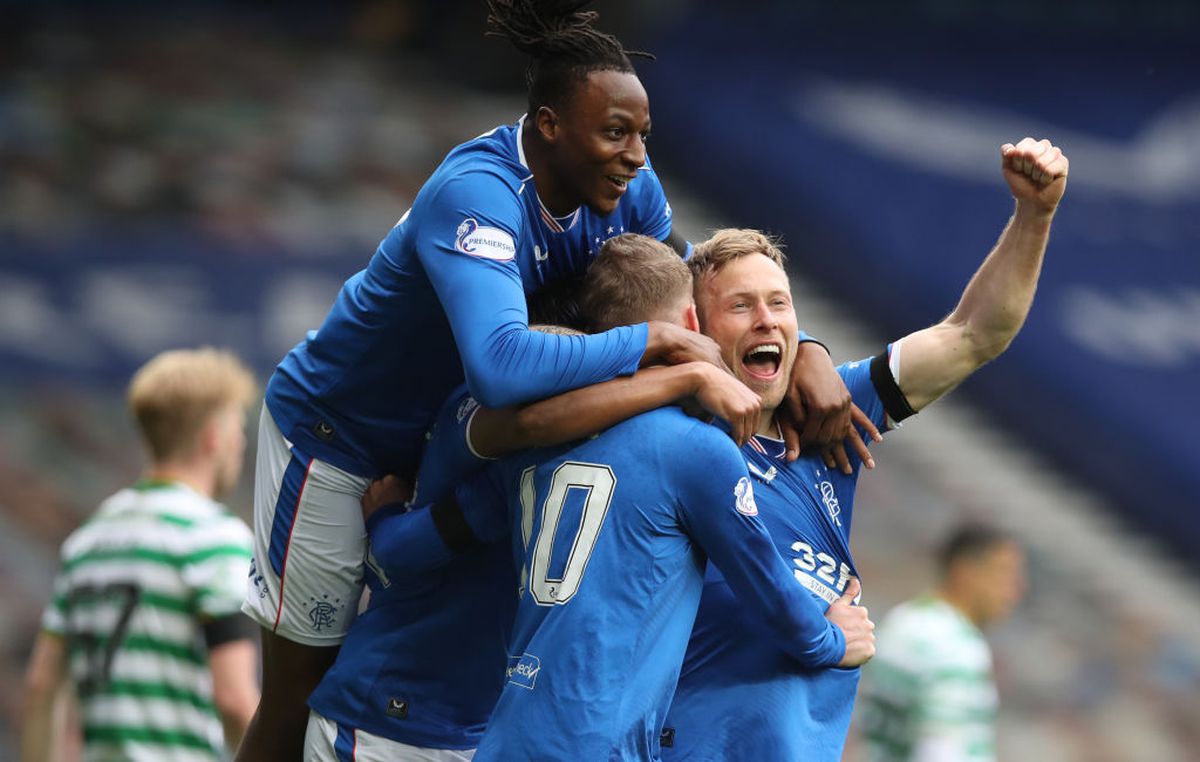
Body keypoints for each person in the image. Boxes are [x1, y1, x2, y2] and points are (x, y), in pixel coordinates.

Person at [237, 2, 855, 758]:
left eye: (642, 135)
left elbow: (707, 298)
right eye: (614, 133)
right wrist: (660, 356)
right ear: (549, 125)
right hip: (341, 437)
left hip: (460, 434)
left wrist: (808, 346)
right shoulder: (478, 194)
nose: (634, 156)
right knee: (304, 684)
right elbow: (501, 369)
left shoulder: (630, 189)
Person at [332, 234, 876, 760]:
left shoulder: (533, 442)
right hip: (598, 745)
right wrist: (832, 641)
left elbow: (406, 549)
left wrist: (381, 516)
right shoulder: (697, 448)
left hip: (502, 741)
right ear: (691, 324)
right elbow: (773, 593)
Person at [659, 137, 1068, 760]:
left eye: (780, 304)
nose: (767, 320)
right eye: (740, 306)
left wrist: (1033, 216)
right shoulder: (672, 433)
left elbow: (973, 334)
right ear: (697, 328)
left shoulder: (828, 419)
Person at [20, 348, 260, 762]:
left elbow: (42, 685)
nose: (240, 445)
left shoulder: (88, 541)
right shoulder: (214, 536)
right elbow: (235, 699)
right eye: (238, 429)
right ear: (214, 438)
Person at [858, 525, 1027, 762]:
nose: (1015, 589)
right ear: (965, 571)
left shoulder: (903, 619)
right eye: (1004, 573)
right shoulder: (954, 648)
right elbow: (942, 751)